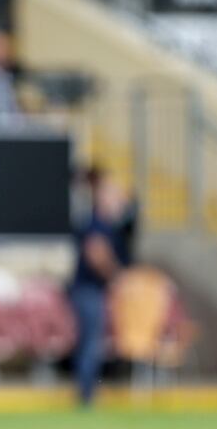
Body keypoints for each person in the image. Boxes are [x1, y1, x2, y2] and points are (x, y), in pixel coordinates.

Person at [68, 168, 137, 407]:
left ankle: (89, 392)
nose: (121, 202)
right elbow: (96, 253)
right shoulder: (97, 224)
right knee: (91, 343)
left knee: (94, 342)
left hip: (93, 291)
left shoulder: (110, 226)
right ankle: (87, 395)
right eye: (115, 197)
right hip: (88, 291)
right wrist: (117, 276)